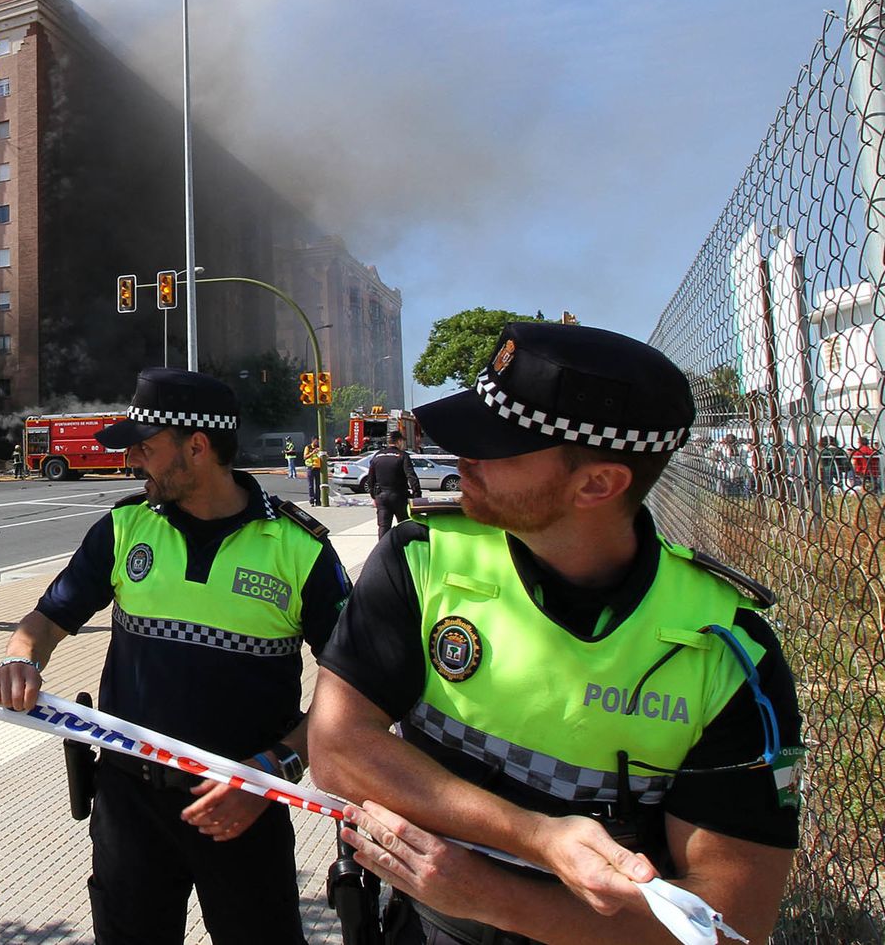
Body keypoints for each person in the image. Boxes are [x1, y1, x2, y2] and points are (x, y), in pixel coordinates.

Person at [308, 322, 804, 945]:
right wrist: (536, 837)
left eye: (499, 442)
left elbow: (732, 923)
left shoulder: (728, 650)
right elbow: (337, 748)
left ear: (597, 483)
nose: (463, 454)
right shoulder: (423, 561)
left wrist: (492, 897)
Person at [0, 368, 351, 945]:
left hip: (244, 809)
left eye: (146, 447)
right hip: (130, 806)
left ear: (198, 447)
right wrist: (22, 659)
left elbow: (351, 693)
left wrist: (272, 772)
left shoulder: (299, 549)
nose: (133, 461)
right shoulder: (124, 528)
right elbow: (45, 622)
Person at [366, 430, 421, 539]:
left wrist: (374, 495)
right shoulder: (402, 456)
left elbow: (370, 479)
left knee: (383, 527)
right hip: (399, 496)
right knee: (405, 526)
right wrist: (417, 495)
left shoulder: (377, 456)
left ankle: (383, 552)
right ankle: (405, 551)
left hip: (381, 497)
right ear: (399, 441)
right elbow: (411, 476)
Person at [304, 436, 324, 505]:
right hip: (310, 468)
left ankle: (318, 500)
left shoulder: (320, 447)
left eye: (318, 441)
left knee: (318, 485)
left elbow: (324, 456)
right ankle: (311, 500)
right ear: (312, 441)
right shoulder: (308, 447)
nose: (317, 442)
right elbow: (305, 457)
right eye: (315, 441)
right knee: (311, 485)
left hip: (318, 468)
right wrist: (312, 452)